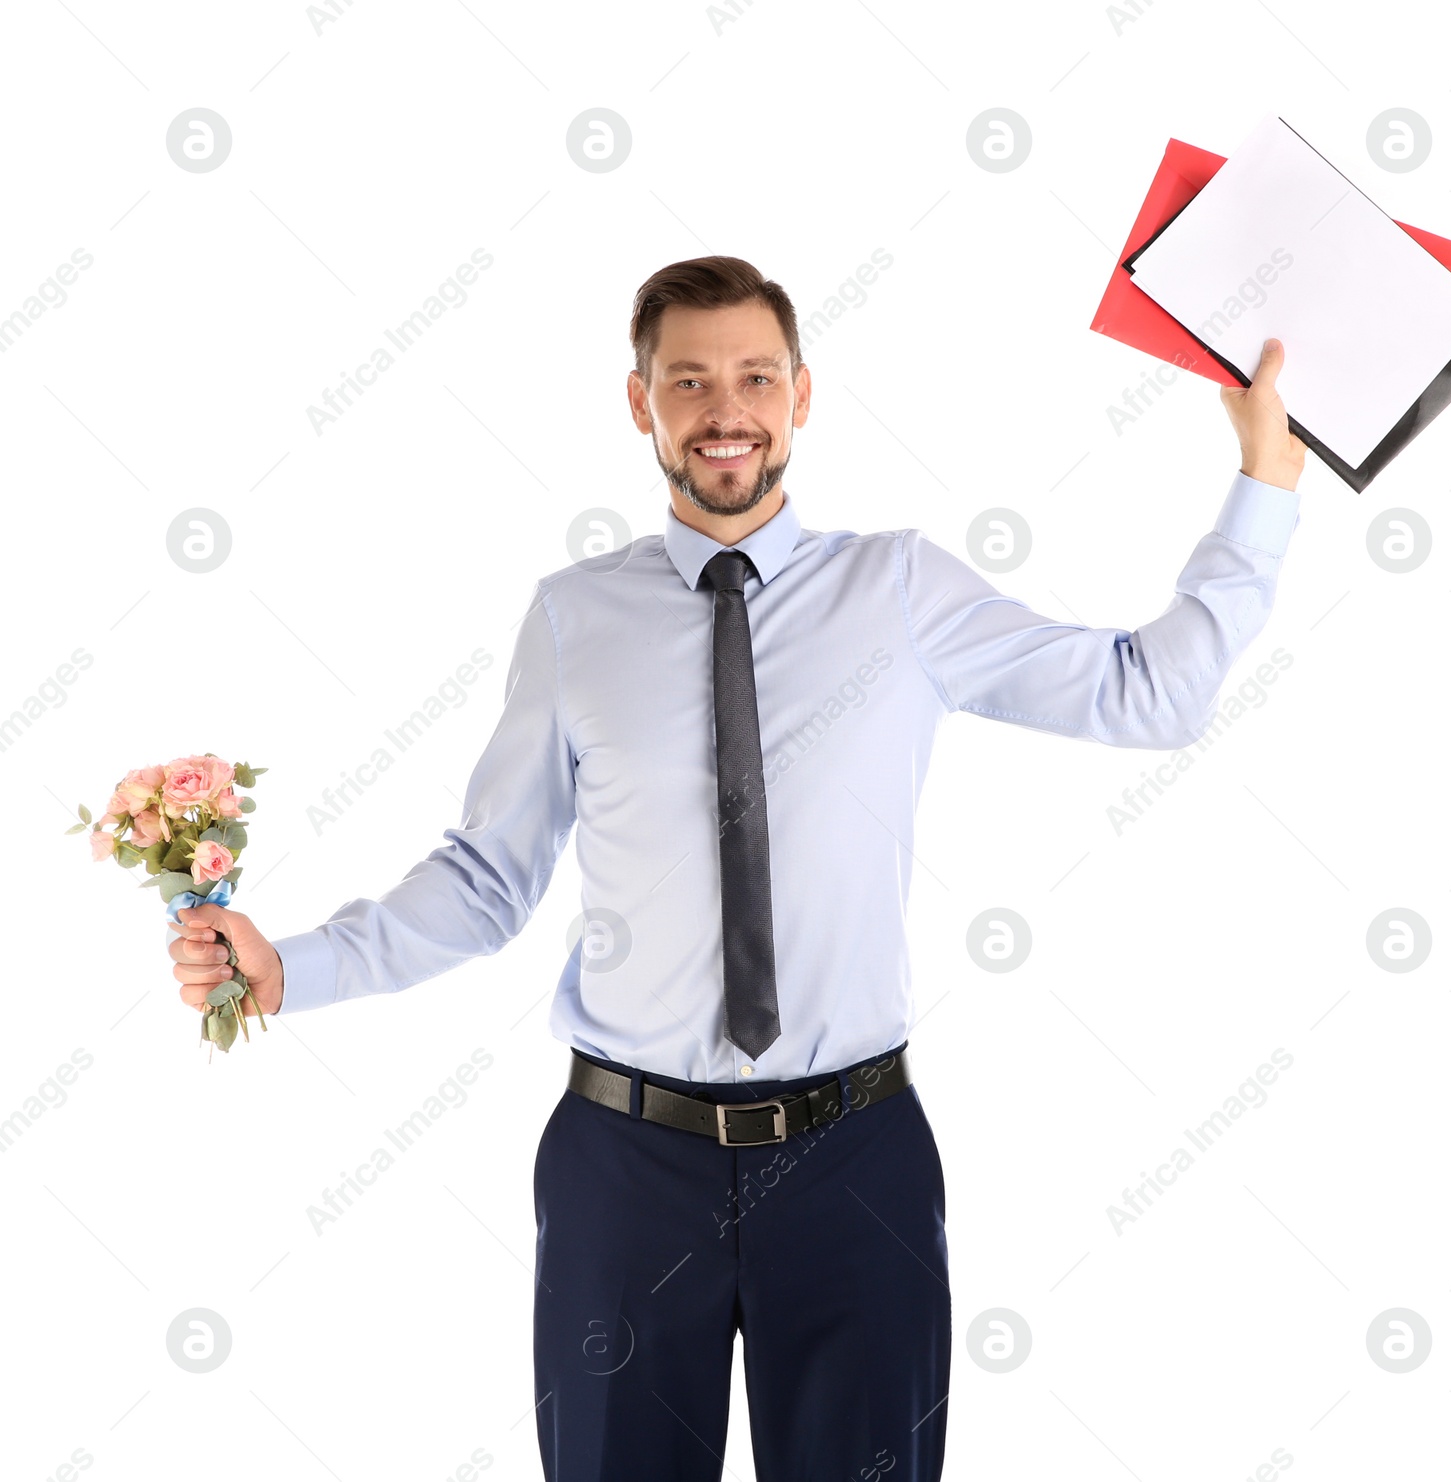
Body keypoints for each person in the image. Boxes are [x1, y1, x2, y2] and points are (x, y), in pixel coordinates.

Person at [168, 256, 1306, 1481]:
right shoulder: (572, 619)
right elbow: (489, 877)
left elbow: (1149, 695)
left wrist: (1265, 483)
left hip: (854, 1158)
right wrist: (296, 967)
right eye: (691, 379)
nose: (727, 408)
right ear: (639, 402)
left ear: (802, 396)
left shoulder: (901, 589)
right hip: (624, 1167)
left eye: (756, 376)